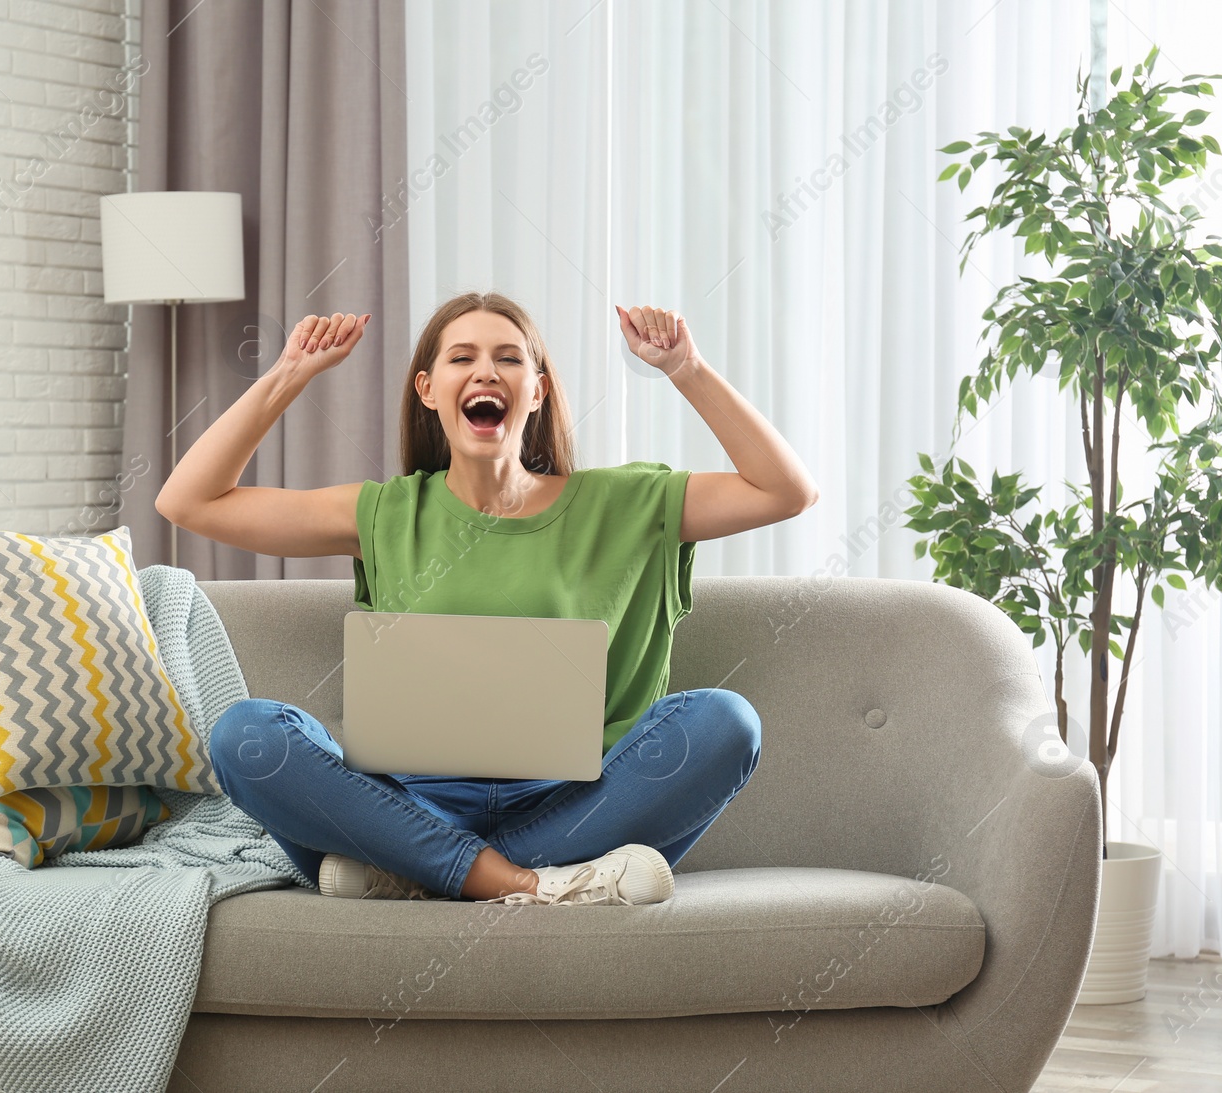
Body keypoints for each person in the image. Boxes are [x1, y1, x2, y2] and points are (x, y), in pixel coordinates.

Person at [155, 292, 818, 906]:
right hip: (413, 806)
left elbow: (786, 490)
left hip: (583, 806)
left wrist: (686, 367)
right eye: (462, 357)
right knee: (246, 734)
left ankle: (418, 873)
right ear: (428, 389)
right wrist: (288, 374)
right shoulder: (385, 513)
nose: (486, 372)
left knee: (727, 721)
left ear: (537, 391)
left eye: (509, 358)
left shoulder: (629, 502)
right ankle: (528, 883)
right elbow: (189, 500)